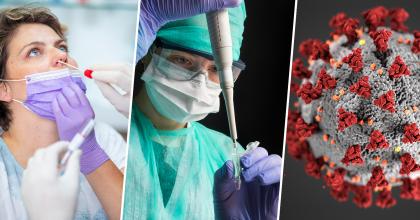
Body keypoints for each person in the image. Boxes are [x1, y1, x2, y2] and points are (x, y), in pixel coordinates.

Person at [123, 0, 282, 219]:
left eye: (216, 68)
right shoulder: (108, 133)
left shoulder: (228, 159)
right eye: (182, 60)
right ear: (149, 51)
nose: (200, 81)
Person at [0, 6, 126, 219]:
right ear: (4, 88)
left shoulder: (104, 139)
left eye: (62, 47)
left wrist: (90, 151)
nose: (61, 55)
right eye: (34, 51)